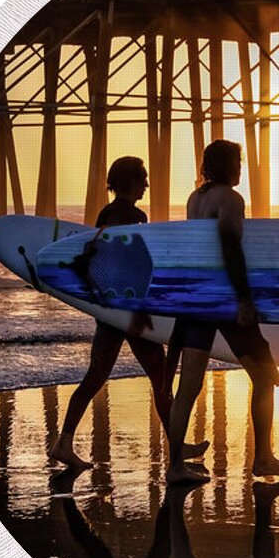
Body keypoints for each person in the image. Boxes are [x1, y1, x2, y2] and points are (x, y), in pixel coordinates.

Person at [49, 156, 208, 470]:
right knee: (161, 379)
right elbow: (131, 263)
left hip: (111, 309)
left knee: (96, 377)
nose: (147, 184)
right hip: (127, 309)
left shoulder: (106, 214)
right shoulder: (132, 215)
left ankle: (64, 442)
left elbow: (105, 262)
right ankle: (176, 449)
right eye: (142, 178)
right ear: (129, 182)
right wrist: (137, 310)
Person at [165, 139, 279, 482]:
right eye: (238, 163)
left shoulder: (195, 198)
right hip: (224, 299)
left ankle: (175, 466)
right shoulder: (231, 199)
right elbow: (229, 247)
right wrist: (244, 300)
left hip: (196, 298)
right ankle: (263, 459)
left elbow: (201, 248)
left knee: (190, 384)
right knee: (265, 376)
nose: (241, 169)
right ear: (227, 166)